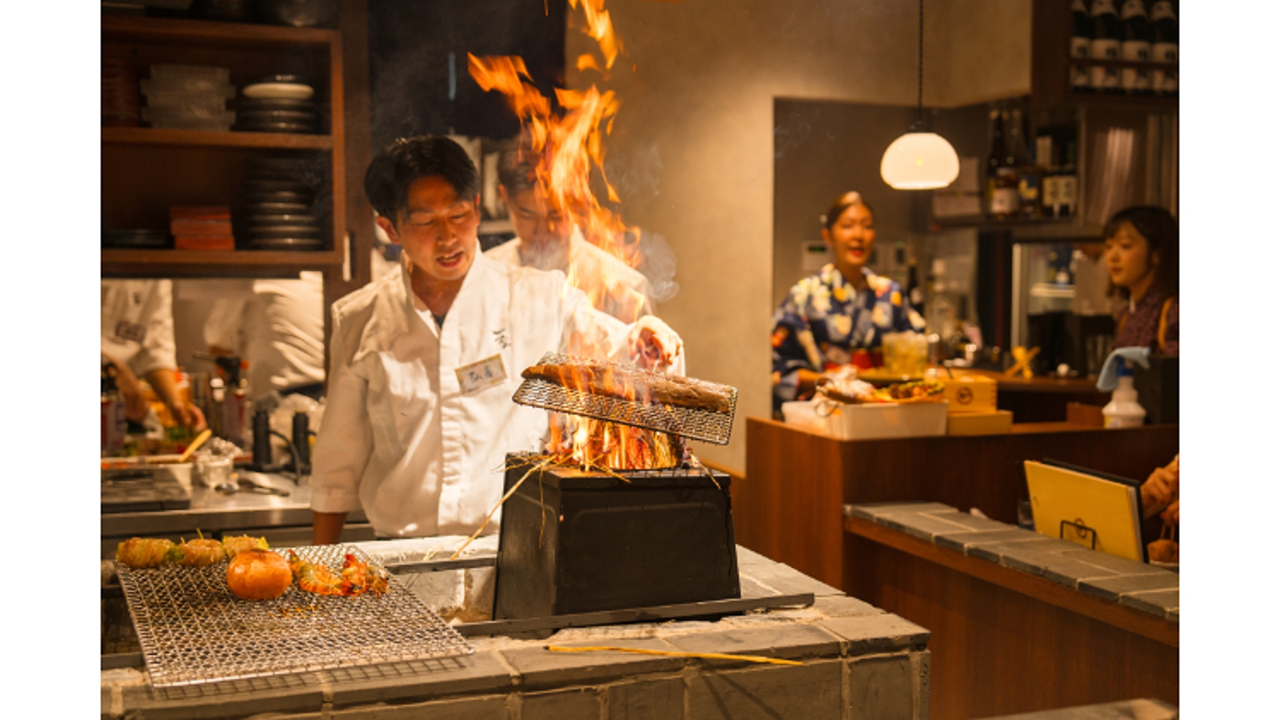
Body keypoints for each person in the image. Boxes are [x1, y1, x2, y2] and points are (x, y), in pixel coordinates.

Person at [309, 135, 683, 544]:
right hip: (403, 553)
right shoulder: (360, 318)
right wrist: (319, 564)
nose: (448, 236)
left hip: (519, 550)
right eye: (426, 221)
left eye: (458, 215)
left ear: (476, 211)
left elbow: (618, 349)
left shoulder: (540, 295)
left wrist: (645, 335)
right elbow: (337, 464)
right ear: (389, 228)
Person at [770, 191, 925, 414]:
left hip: (884, 411)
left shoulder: (892, 295)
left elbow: (917, 353)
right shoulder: (805, 295)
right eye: (847, 226)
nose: (858, 235)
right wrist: (832, 381)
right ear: (828, 236)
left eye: (867, 226)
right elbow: (777, 366)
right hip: (825, 410)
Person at [484, 141, 655, 323]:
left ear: (575, 201)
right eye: (527, 215)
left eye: (555, 216)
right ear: (504, 197)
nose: (542, 232)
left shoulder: (624, 290)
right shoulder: (485, 275)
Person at [203, 272, 326, 402]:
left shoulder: (248, 280)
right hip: (325, 393)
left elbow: (217, 339)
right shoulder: (316, 276)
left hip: (279, 399)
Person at [102, 279, 206, 430]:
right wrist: (111, 368)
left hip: (113, 409)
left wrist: (174, 401)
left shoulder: (158, 273)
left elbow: (154, 347)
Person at [1104, 205, 1179, 355]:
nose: (1112, 257)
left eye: (1125, 246)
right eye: (1108, 246)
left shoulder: (1173, 311)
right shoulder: (1125, 315)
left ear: (1156, 254)